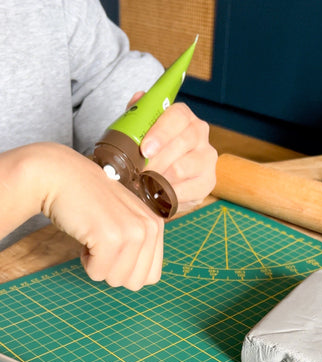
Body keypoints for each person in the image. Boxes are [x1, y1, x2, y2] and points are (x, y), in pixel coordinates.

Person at [0, 0, 217, 290]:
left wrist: (156, 149)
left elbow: (105, 74)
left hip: (54, 261)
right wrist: (33, 176)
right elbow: (44, 176)